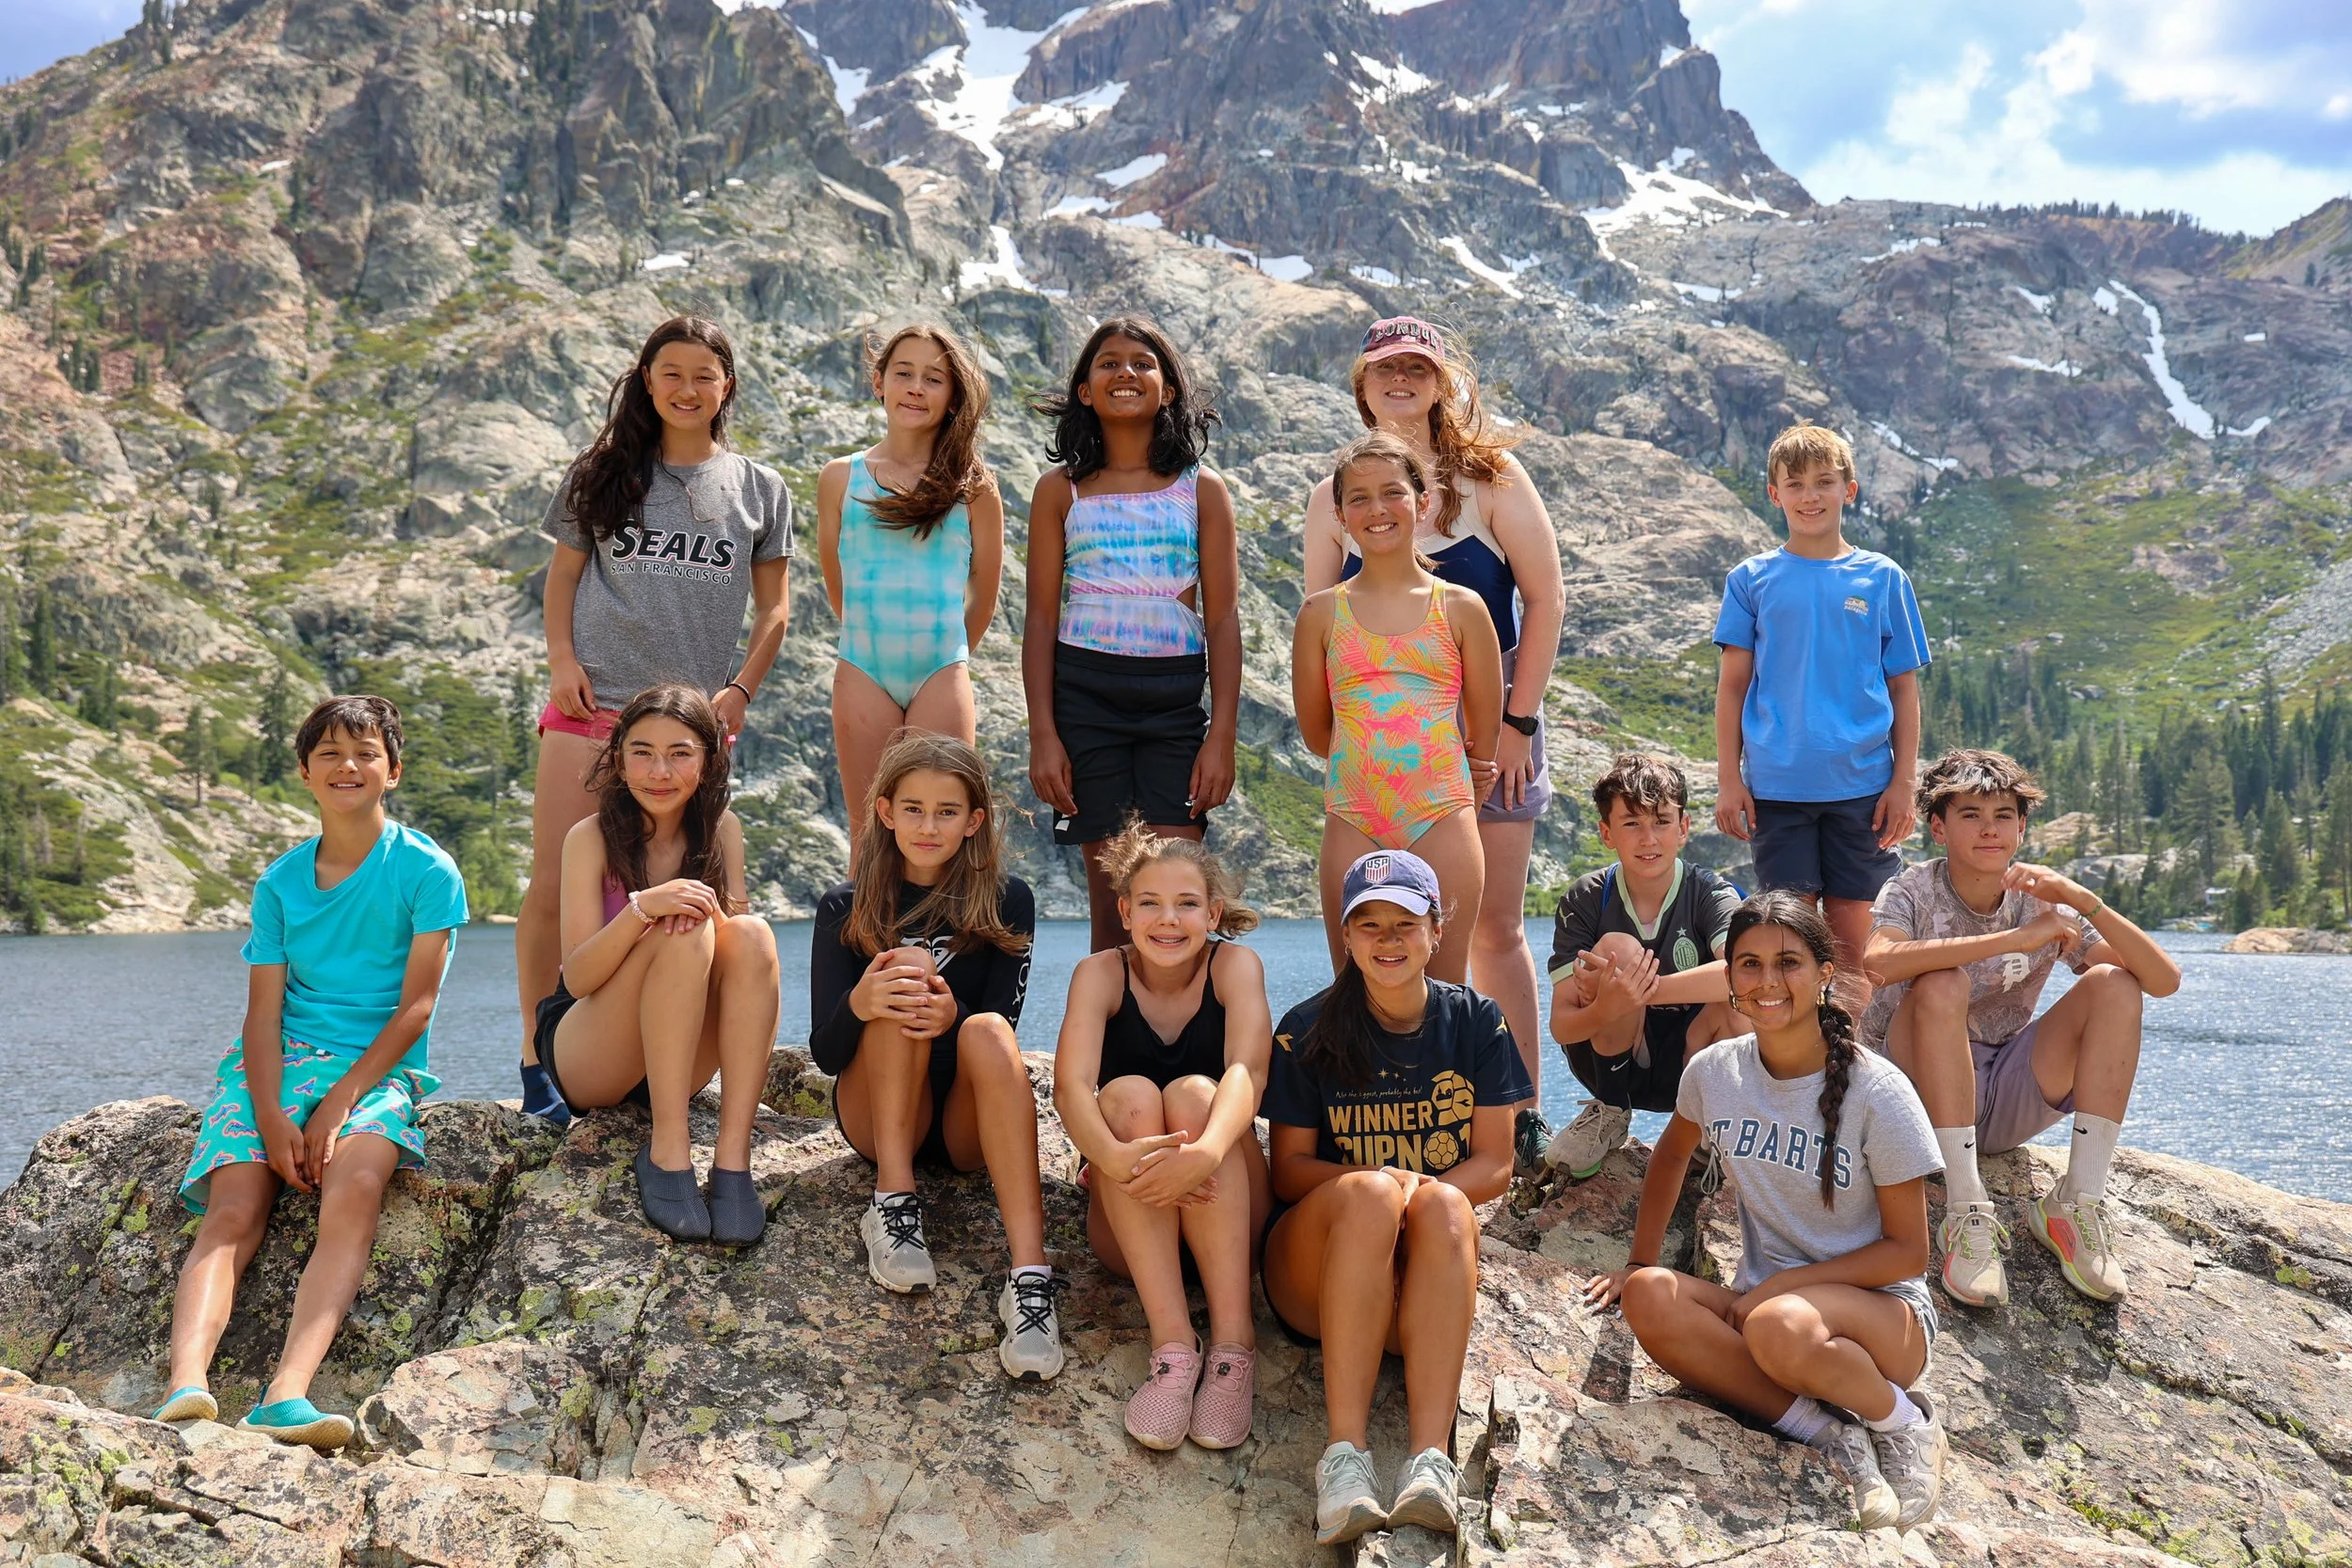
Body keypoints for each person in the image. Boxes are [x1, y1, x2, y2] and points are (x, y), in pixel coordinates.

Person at [154, 696, 467, 1449]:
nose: (347, 765)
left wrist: (336, 1106)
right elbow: (261, 1016)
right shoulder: (281, 882)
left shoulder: (427, 869)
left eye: (364, 751)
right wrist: (269, 1113)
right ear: (304, 772)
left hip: (373, 1069)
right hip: (279, 1060)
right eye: (328, 753)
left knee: (354, 1191)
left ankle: (285, 1394)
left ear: (393, 768)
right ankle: (185, 1385)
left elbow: (417, 1007)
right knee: (233, 1210)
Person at [1585, 892, 1950, 1534]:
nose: (1767, 981)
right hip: (1766, 1315)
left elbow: (1909, 1252)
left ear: (1823, 973)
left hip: (1883, 1318)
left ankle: (1904, 1421)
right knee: (1647, 1296)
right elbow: (1670, 1158)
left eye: (1788, 963)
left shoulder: (1877, 1091)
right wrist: (1638, 1260)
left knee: (1779, 1324)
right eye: (1748, 965)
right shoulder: (1715, 1072)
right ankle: (1827, 1431)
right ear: (1729, 980)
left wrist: (1783, 1286)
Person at [1303, 313, 1566, 1170]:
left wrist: (1520, 724)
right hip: (1379, 761)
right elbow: (1322, 625)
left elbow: (1545, 598)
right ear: (1363, 383)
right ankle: (1376, 1110)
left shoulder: (1492, 477)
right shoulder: (1335, 493)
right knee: (1381, 932)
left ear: (1445, 380)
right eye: (1387, 369)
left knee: (1490, 926)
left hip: (1495, 738)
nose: (1403, 381)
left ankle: (1516, 1107)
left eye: (1419, 367)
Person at [517, 316, 793, 1129]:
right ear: (647, 381)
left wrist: (739, 689)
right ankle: (541, 1060)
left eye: (703, 374)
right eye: (669, 372)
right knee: (550, 884)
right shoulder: (602, 472)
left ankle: (664, 1052)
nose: (686, 388)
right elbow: (563, 577)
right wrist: (562, 658)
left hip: (689, 728)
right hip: (591, 707)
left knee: (699, 893)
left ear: (726, 385)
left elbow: (776, 609)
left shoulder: (758, 487)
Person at [1262, 849, 1532, 1546]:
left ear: (1436, 931)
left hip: (1412, 1284)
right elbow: (1288, 1170)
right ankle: (1344, 1461)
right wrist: (1388, 1184)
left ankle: (1429, 1463)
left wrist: (1419, 1194)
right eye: (1369, 924)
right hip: (1316, 1275)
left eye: (1405, 922)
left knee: (1444, 1205)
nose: (1388, 940)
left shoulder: (1476, 1021)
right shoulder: (1307, 1027)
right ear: (1345, 937)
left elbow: (1498, 1161)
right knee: (1377, 1192)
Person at [1861, 748, 2181, 1307]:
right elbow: (1878, 961)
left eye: (2004, 816)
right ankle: (1965, 1214)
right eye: (1971, 816)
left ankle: (2075, 1204)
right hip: (1913, 1098)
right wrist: (2012, 941)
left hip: (2003, 1092)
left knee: (2114, 983)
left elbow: (2163, 980)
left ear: (2022, 827)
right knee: (1942, 983)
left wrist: (2083, 901)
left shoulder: (2041, 901)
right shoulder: (1913, 888)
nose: (1990, 830)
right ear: (1938, 827)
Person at [808, 733, 1062, 1381]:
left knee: (981, 1031)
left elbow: (999, 1036)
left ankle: (1029, 1279)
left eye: (947, 811)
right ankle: (893, 1202)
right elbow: (827, 1051)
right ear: (885, 812)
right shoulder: (844, 905)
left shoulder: (1009, 901)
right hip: (879, 1115)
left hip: (961, 1125)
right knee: (903, 979)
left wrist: (952, 1021)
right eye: (913, 808)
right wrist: (863, 1000)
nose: (928, 825)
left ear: (974, 820)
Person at [532, 685, 782, 1245]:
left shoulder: (723, 831)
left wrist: (709, 918)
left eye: (680, 753)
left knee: (754, 934)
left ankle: (732, 1162)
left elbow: (738, 960)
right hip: (592, 1049)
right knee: (680, 930)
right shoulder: (590, 837)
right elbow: (577, 977)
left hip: (678, 1052)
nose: (659, 771)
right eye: (642, 752)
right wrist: (644, 908)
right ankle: (668, 1151)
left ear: (709, 759)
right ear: (618, 759)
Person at [1023, 315, 1241, 952]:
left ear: (1168, 389)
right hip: (1085, 700)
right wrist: (1044, 734)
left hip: (1175, 705)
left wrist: (1221, 732)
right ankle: (1111, 1049)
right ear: (1085, 391)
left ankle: (1185, 1047)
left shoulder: (1203, 491)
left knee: (1177, 892)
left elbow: (1223, 618)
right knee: (1116, 901)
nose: (1126, 372)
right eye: (1108, 362)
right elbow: (1040, 617)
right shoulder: (1059, 491)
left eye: (1143, 363)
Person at [1053, 822, 1273, 1450]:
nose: (1168, 919)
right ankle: (1174, 1351)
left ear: (1214, 912)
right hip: (1134, 1218)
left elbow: (1248, 1071)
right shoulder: (1099, 973)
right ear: (1124, 911)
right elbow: (1071, 1087)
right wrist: (1117, 1160)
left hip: (1227, 1211)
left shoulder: (1236, 966)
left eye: (1186, 903)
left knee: (1198, 1094)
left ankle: (1232, 1350)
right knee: (1126, 1096)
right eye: (1149, 902)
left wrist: (1202, 1154)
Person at [1713, 423, 1929, 1006]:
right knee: (1790, 945)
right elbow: (1732, 688)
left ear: (1849, 490)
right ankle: (1800, 1072)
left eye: (1825, 482)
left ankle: (1853, 1073)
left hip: (1864, 790)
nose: (1811, 495)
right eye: (1796, 483)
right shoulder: (1751, 580)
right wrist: (1730, 780)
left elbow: (1904, 690)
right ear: (1774, 494)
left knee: (1858, 946)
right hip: (1778, 792)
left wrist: (1904, 782)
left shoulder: (1883, 578)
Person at [1293, 431, 1502, 988]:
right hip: (1353, 814)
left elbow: (1485, 731)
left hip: (1440, 813)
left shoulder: (1461, 607)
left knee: (1448, 990)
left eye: (1392, 492)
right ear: (1339, 514)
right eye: (1357, 498)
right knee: (1353, 991)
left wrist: (1462, 778)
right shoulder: (1319, 613)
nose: (1376, 509)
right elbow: (1318, 734)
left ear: (1423, 501)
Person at [818, 322, 1005, 821]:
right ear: (879, 382)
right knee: (869, 834)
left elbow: (984, 596)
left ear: (953, 396)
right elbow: (839, 589)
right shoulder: (840, 478)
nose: (916, 388)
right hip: (862, 667)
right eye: (903, 373)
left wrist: (946, 654)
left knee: (939, 833)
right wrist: (870, 636)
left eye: (934, 378)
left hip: (940, 672)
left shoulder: (975, 488)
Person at [1545, 752, 1743, 1178]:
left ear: (1684, 828)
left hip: (1690, 1055)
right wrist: (1608, 1005)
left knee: (1743, 995)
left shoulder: (1712, 892)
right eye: (1632, 823)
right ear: (1606, 832)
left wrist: (1641, 990)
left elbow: (1743, 976)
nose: (1648, 838)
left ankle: (1712, 1134)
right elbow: (1562, 1025)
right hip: (1609, 1057)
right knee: (1618, 947)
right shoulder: (1585, 898)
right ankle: (1611, 1112)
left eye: (1662, 822)